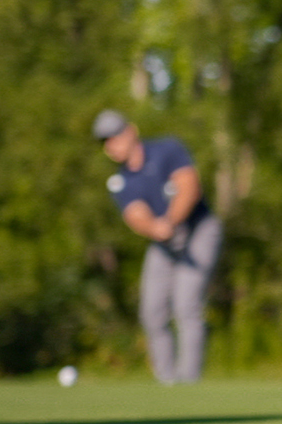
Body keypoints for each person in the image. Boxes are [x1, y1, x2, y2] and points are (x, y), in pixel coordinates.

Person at [93, 110, 223, 384]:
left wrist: (171, 221)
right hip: (163, 241)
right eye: (106, 141)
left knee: (186, 304)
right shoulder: (121, 181)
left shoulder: (167, 149)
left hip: (198, 230)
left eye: (115, 136)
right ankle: (166, 382)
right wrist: (156, 228)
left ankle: (188, 382)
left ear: (131, 131)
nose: (112, 145)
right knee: (152, 312)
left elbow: (189, 187)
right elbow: (136, 215)